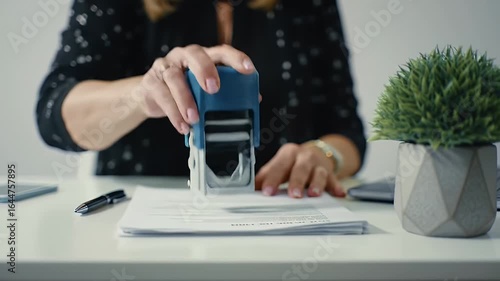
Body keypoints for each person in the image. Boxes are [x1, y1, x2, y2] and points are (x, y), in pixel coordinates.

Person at [36, 0, 366, 198]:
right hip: (141, 234)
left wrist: (323, 155)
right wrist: (141, 95)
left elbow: (348, 132)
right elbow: (54, 113)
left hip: (275, 219)